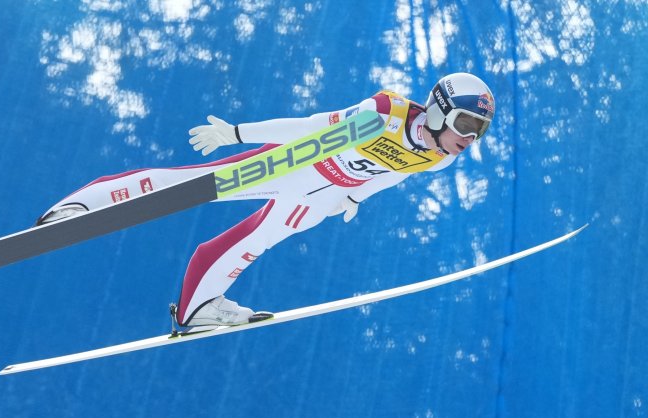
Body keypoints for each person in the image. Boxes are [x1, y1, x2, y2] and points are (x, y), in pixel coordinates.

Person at [36, 72, 495, 331]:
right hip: (294, 164)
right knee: (187, 183)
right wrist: (238, 133)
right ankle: (82, 205)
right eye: (465, 123)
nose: (469, 139)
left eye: (479, 132)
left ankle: (198, 308)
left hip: (320, 198)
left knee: (251, 244)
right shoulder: (383, 115)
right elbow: (308, 127)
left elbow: (391, 176)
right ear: (437, 109)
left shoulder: (439, 159)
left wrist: (354, 197)